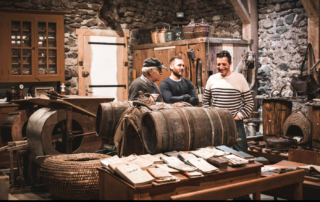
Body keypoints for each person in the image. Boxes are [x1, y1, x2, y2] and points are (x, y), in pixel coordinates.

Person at [202, 50, 254, 152]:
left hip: (235, 123)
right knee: (217, 154)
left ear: (230, 64)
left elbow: (249, 103)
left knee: (242, 153)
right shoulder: (212, 79)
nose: (221, 67)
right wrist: (210, 116)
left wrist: (238, 116)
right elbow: (205, 102)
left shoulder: (239, 78)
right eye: (219, 64)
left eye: (224, 64)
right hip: (216, 123)